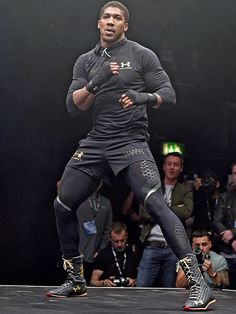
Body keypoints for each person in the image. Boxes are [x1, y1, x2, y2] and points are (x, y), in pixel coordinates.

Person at [47, 1, 215, 310]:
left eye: (117, 18)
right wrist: (97, 81)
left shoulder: (141, 55)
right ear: (98, 24)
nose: (111, 21)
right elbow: (74, 106)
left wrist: (145, 97)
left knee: (155, 203)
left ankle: (199, 283)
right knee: (62, 204)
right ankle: (76, 279)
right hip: (97, 141)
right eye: (106, 17)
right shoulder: (86, 61)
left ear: (125, 25)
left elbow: (169, 94)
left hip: (130, 141)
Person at [136, 152, 193, 287]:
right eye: (169, 164)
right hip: (152, 245)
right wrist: (174, 209)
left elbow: (186, 212)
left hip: (173, 248)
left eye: (176, 164)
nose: (172, 167)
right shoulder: (152, 188)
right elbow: (144, 213)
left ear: (181, 168)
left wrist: (159, 209)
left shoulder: (185, 190)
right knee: (140, 290)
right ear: (163, 167)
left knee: (170, 292)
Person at [76, 182, 113, 284]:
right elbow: (70, 226)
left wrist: (101, 250)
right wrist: (75, 249)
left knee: (90, 285)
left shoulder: (106, 203)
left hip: (96, 255)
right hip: (78, 253)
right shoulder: (77, 199)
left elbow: (108, 230)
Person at [90, 222, 137, 287]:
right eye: (116, 241)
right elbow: (93, 281)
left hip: (131, 292)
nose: (119, 244)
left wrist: (134, 281)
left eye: (122, 240)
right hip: (109, 292)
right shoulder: (103, 255)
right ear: (109, 238)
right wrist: (103, 282)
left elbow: (144, 278)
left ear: (126, 236)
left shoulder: (133, 251)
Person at [213, 161, 236, 289]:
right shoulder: (224, 197)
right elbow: (216, 222)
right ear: (232, 176)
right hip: (227, 255)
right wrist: (232, 241)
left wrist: (233, 233)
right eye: (235, 173)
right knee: (225, 295)